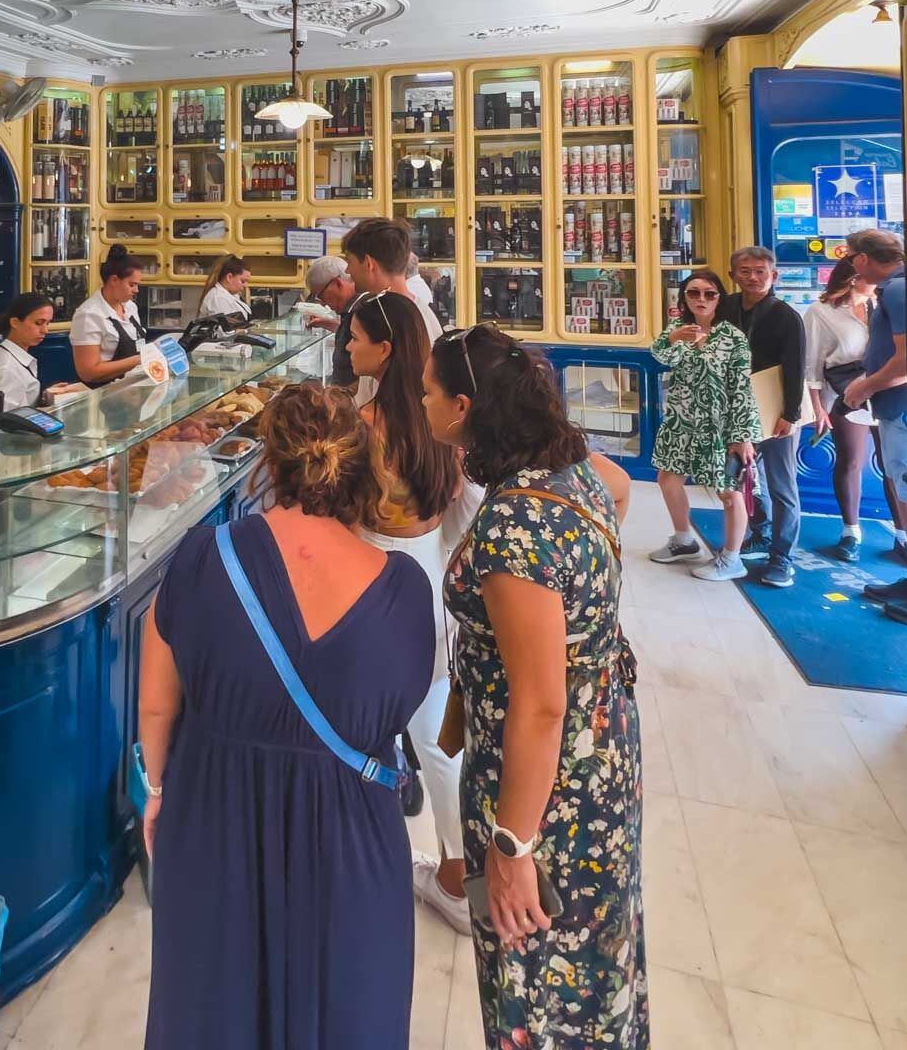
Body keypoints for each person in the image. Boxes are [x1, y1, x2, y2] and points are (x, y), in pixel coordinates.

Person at [138, 382, 434, 1049]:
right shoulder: (404, 592)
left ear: (268, 465)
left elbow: (157, 701)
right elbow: (402, 707)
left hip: (212, 813)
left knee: (210, 1009)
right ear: (363, 468)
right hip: (351, 831)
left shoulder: (200, 558)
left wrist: (157, 791)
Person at [423, 325, 647, 1049]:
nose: (421, 402)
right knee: (596, 953)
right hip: (603, 744)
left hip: (547, 786)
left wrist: (514, 845)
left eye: (428, 392)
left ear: (461, 408)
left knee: (537, 968)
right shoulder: (574, 467)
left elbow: (541, 703)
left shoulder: (513, 528)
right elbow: (618, 489)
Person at [345, 290, 469, 933]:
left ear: (383, 350)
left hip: (375, 580)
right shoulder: (441, 419)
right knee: (436, 735)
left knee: (371, 723)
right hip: (428, 575)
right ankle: (456, 870)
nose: (346, 347)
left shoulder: (366, 432)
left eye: (355, 337)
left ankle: (431, 875)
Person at [649, 269, 762, 581]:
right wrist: (672, 338)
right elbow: (660, 356)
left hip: (721, 426)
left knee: (729, 490)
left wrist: (741, 436)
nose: (701, 299)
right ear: (684, 297)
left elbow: (742, 388)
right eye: (693, 293)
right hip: (682, 421)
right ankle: (684, 540)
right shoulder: (678, 329)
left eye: (709, 293)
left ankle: (731, 557)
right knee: (668, 479)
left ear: (719, 298)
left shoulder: (732, 337)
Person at [718, 245, 806, 588]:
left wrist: (791, 413)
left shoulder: (786, 316)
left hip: (775, 410)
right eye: (744, 271)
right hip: (737, 409)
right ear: (732, 275)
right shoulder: (726, 307)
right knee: (741, 477)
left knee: (783, 483)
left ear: (774, 276)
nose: (752, 278)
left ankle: (783, 557)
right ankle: (760, 531)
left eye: (760, 272)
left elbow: (796, 367)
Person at [803, 257, 902, 562]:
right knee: (851, 460)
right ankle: (851, 531)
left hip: (889, 389)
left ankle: (904, 534)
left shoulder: (888, 302)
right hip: (846, 393)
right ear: (852, 276)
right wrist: (817, 408)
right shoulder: (822, 311)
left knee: (894, 464)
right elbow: (811, 364)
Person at [842, 229, 907, 621]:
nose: (851, 265)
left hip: (900, 408)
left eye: (852, 257)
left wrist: (861, 389)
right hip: (893, 406)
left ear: (863, 258)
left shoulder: (896, 290)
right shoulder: (897, 289)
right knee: (903, 487)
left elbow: (905, 362)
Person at [342, 217, 444, 351]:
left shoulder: (396, 319)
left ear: (369, 263)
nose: (347, 270)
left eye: (350, 262)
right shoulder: (417, 310)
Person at [0, 292, 87, 408]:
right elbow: (9, 420)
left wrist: (45, 396)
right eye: (38, 323)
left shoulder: (16, 358)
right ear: (15, 322)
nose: (45, 330)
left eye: (48, 323)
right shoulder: (6, 369)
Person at [71, 245, 146, 386]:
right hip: (103, 396)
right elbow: (88, 372)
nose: (136, 290)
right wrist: (139, 360)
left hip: (132, 388)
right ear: (114, 280)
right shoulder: (89, 315)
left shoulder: (130, 307)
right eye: (132, 285)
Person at [302, 255, 363, 388]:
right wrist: (328, 324)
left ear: (338, 283)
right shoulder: (349, 311)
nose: (323, 303)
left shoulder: (363, 311)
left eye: (321, 295)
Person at [197, 254, 251, 321]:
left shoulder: (231, 295)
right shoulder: (218, 298)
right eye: (243, 281)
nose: (245, 285)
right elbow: (226, 330)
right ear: (229, 277)